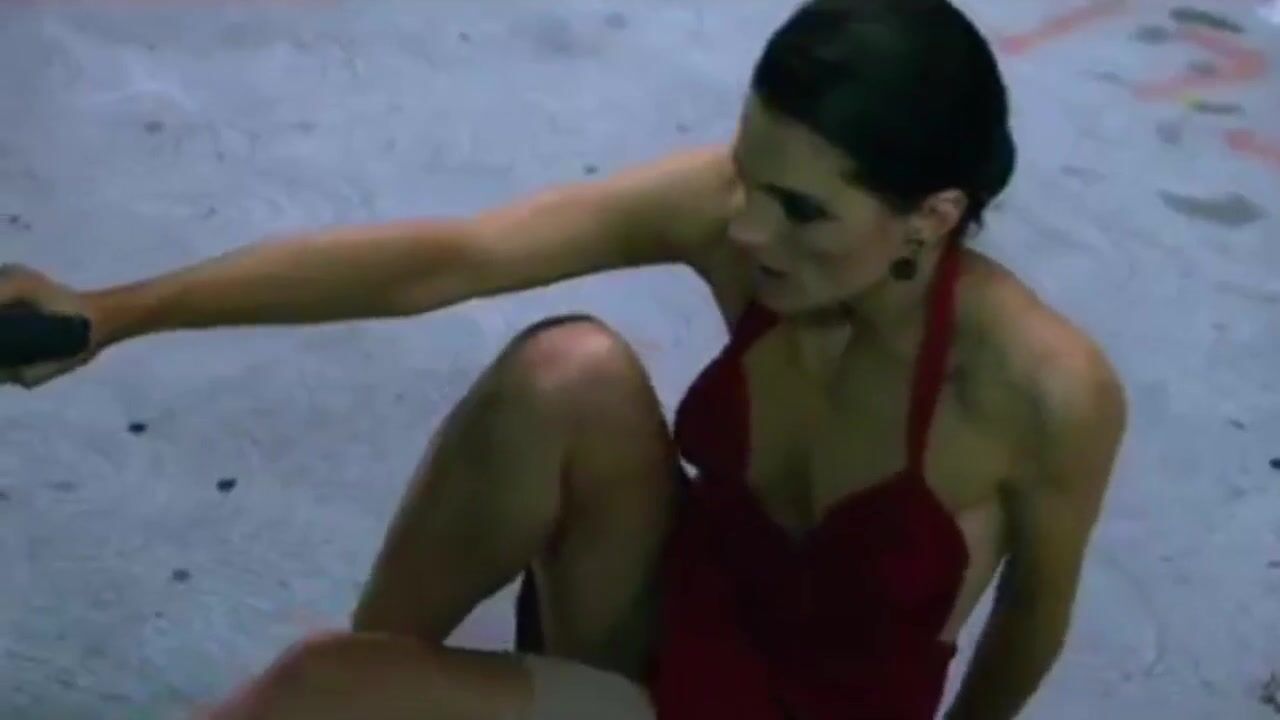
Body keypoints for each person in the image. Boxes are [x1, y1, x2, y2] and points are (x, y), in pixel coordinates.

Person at [0, 1, 1127, 718]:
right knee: (566, 374)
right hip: (668, 637)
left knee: (319, 686)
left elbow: (1031, 623)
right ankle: (384, 683)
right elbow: (448, 260)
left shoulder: (1042, 390)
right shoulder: (749, 228)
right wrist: (116, 313)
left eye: (799, 209)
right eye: (747, 176)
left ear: (931, 216)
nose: (745, 229)